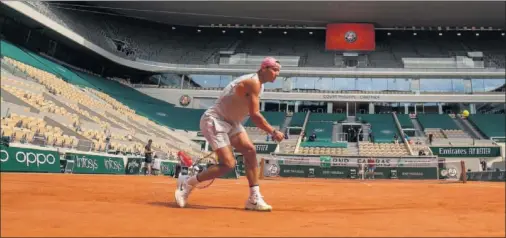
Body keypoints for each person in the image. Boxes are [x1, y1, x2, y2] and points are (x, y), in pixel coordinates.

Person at [175, 57, 285, 211]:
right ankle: (187, 183)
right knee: (228, 164)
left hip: (232, 122)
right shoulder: (252, 82)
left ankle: (254, 198)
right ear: (264, 68)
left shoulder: (260, 85)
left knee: (250, 151)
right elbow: (255, 115)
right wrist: (273, 131)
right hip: (215, 120)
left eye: (278, 71)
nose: (277, 74)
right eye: (274, 69)